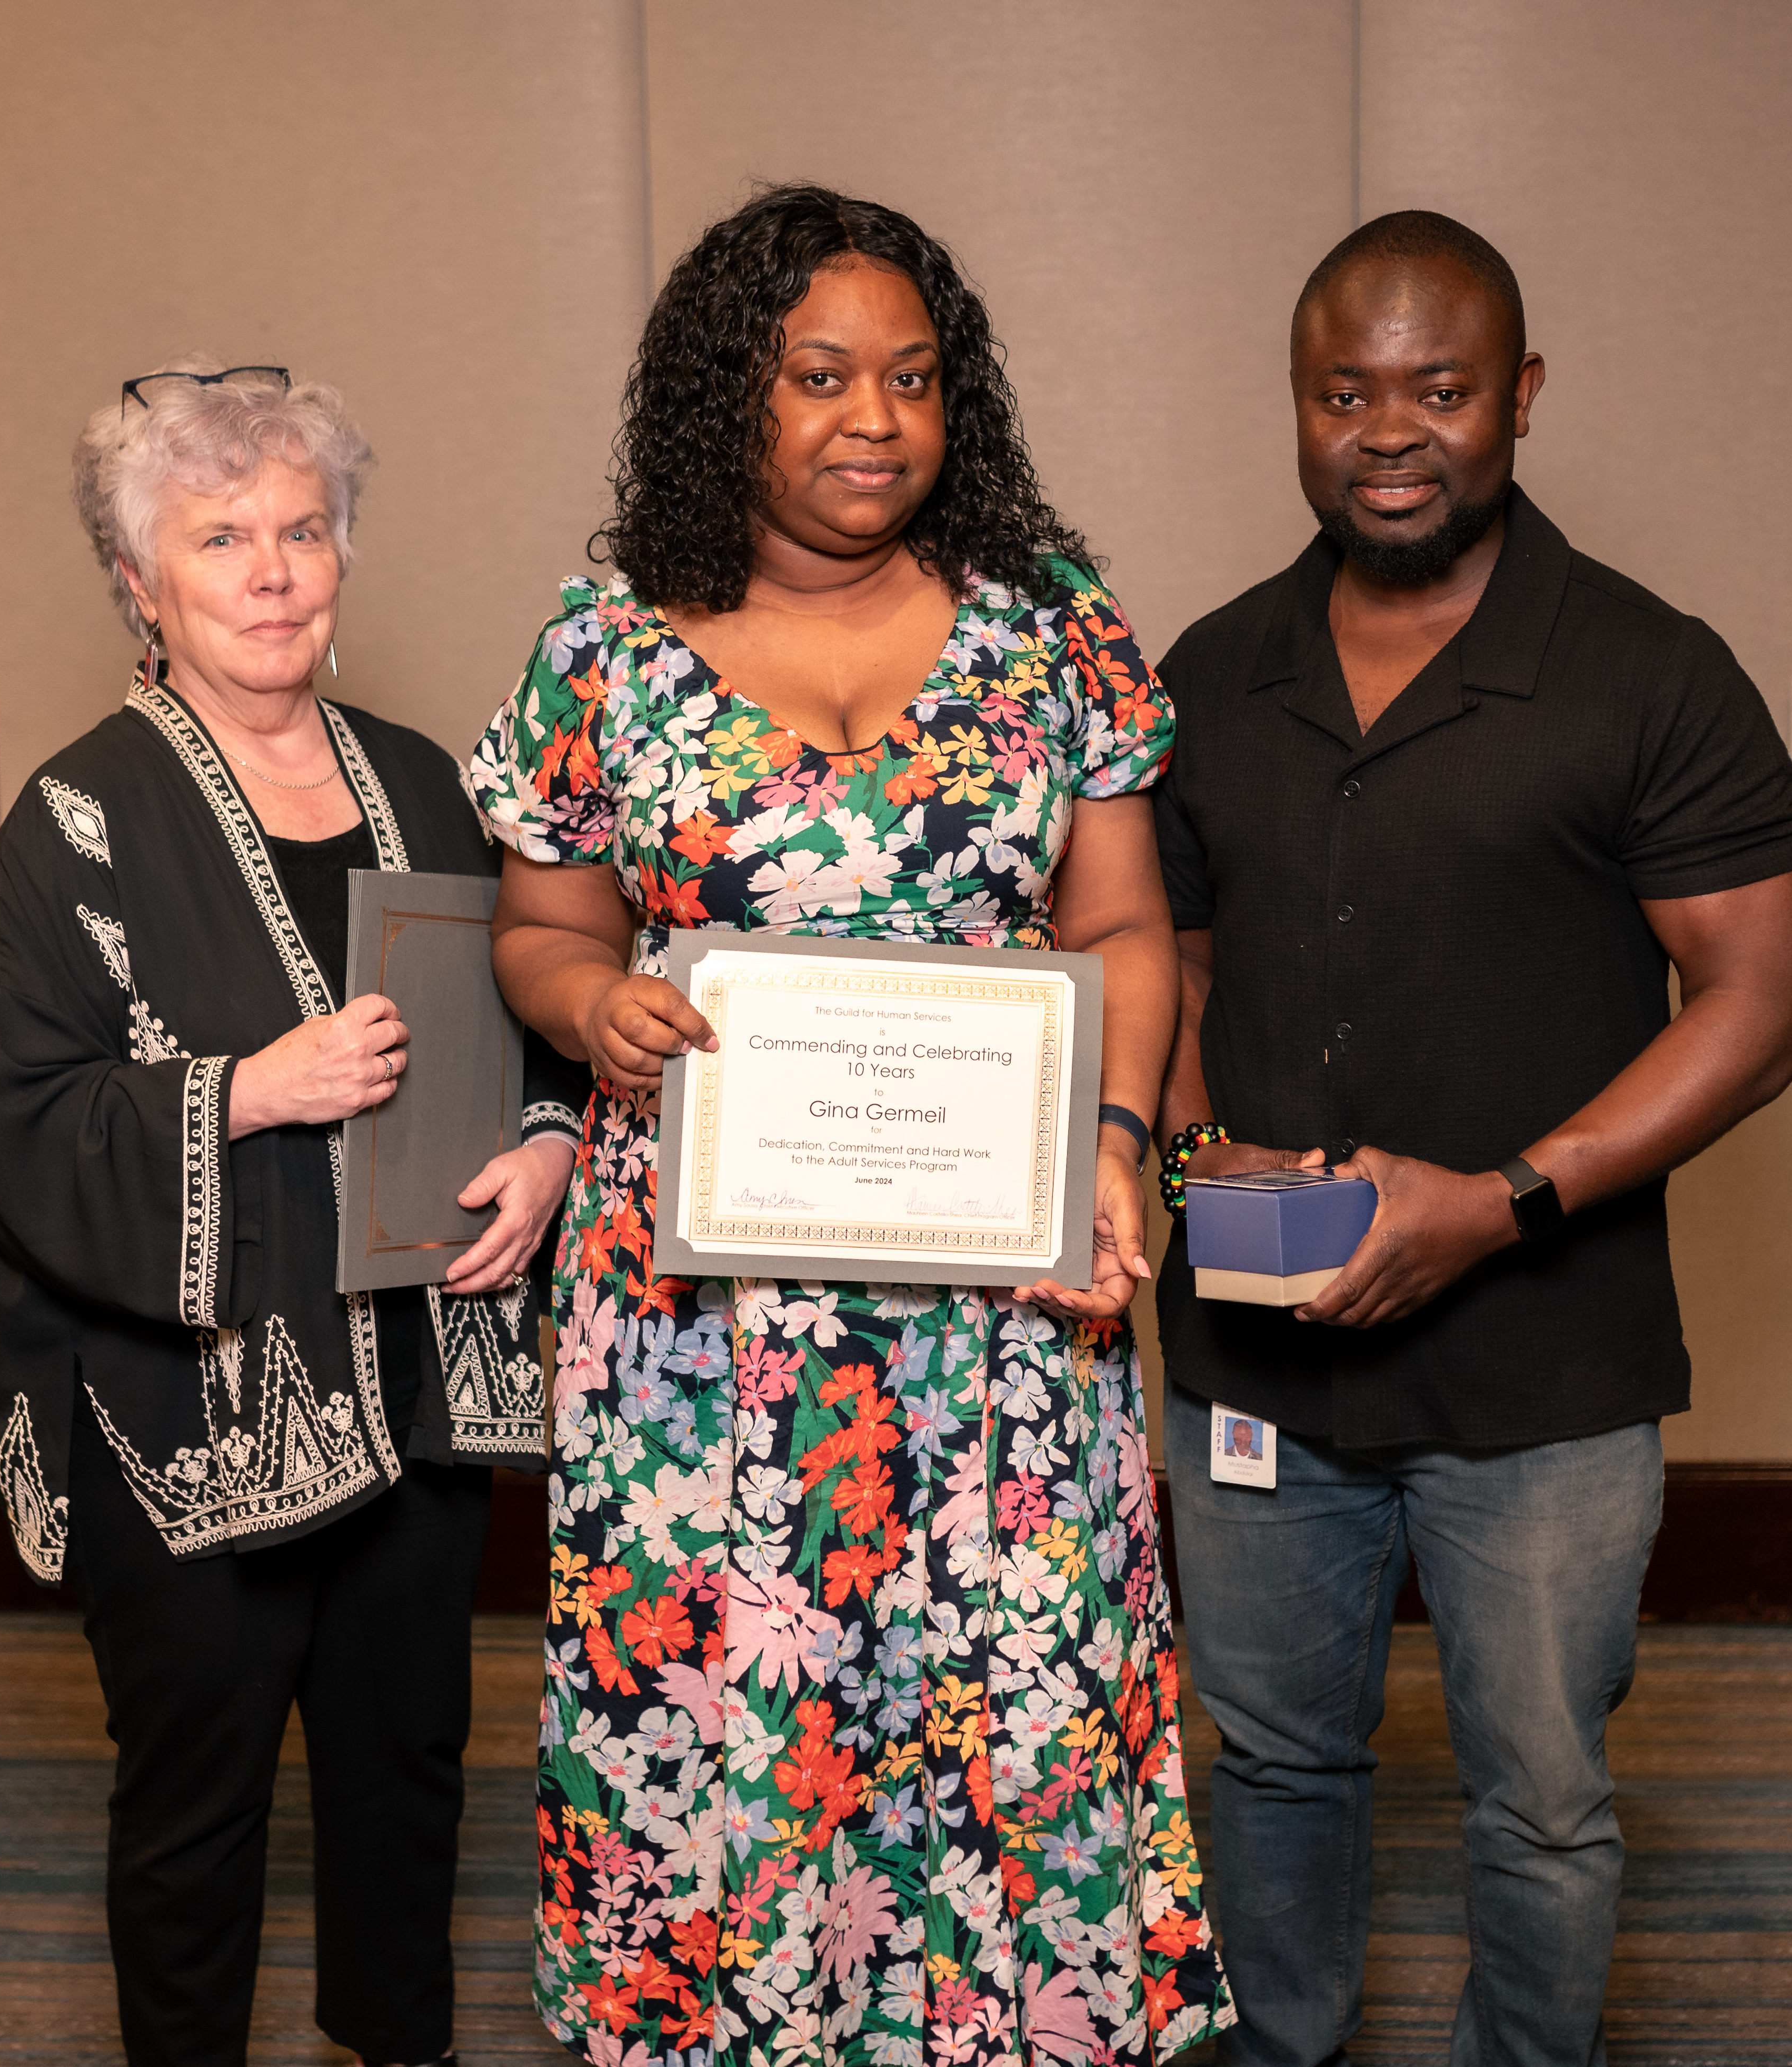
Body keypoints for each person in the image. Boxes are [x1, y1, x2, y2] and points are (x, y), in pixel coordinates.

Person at [471, 186, 1232, 2064]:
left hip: (1003, 1310)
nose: (873, 419)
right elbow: (543, 928)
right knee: (730, 1741)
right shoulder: (607, 645)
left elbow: (1123, 924)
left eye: (912, 378)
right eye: (821, 376)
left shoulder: (1054, 633)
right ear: (735, 393)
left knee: (1017, 1714)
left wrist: (1120, 1142)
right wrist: (597, 1010)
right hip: (700, 1336)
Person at [1151, 214, 1792, 2067]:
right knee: (1276, 1764)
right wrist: (1202, 1155)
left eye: (1438, 390)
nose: (1390, 431)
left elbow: (1759, 1003)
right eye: (1345, 392)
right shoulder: (1210, 672)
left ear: (1518, 399)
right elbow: (1175, 962)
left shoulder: (1648, 671)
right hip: (1259, 1356)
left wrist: (1503, 1201)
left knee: (1537, 1802)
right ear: (1297, 407)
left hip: (1549, 1362)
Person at [0, 359, 586, 2067]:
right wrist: (243, 1091)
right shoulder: (79, 820)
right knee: (198, 1809)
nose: (275, 568)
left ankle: (401, 2046)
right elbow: (15, 1118)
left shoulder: (430, 781)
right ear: (143, 588)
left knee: (406, 1777)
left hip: (419, 1384)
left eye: (303, 528)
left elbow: (542, 1008)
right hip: (197, 1418)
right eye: (221, 537)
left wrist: (547, 1148)